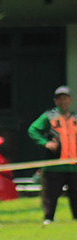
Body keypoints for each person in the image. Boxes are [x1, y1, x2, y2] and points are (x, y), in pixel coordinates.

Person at [27, 85, 77, 224]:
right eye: (60, 99)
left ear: (70, 100)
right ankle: (49, 218)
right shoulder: (49, 117)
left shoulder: (75, 118)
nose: (63, 102)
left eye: (65, 98)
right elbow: (33, 130)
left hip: (74, 166)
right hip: (54, 165)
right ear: (55, 101)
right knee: (51, 194)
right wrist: (45, 142)